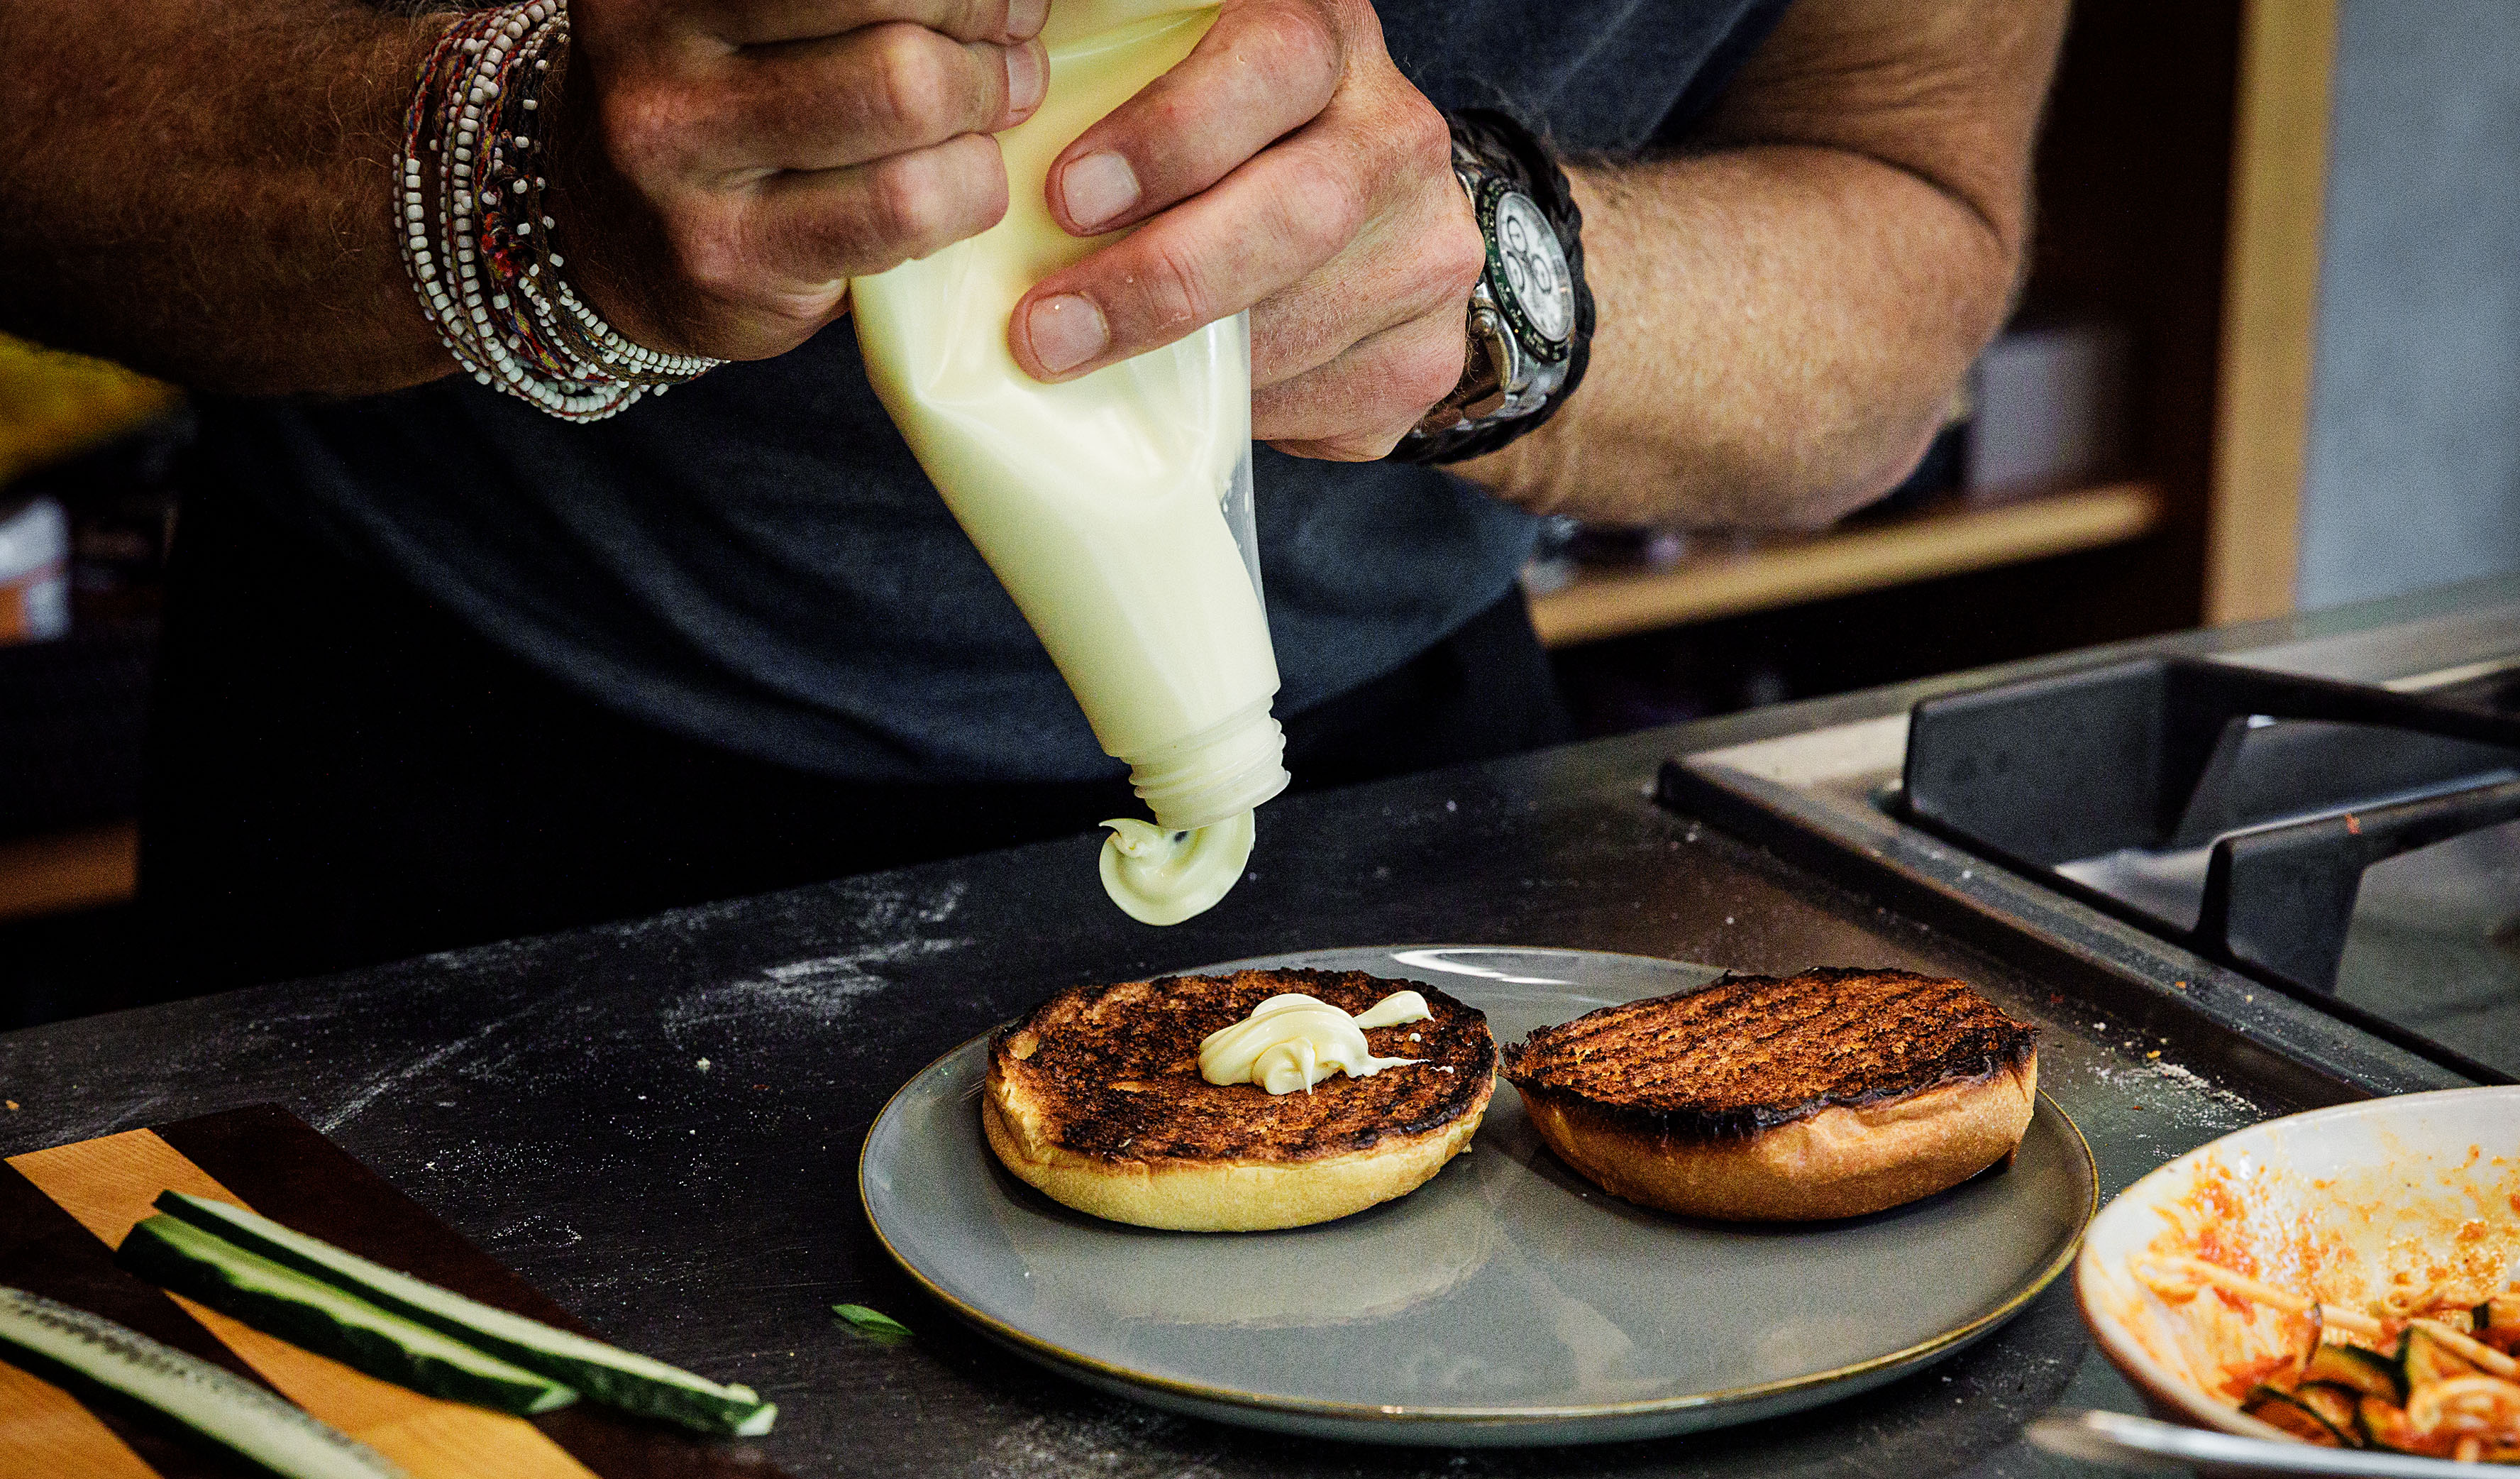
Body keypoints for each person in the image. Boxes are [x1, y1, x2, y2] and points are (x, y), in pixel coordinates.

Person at [0, 0, 2066, 992]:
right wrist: (509, 172)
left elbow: (1906, 271)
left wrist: (1482, 282)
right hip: (444, 807)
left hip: (1393, 813)